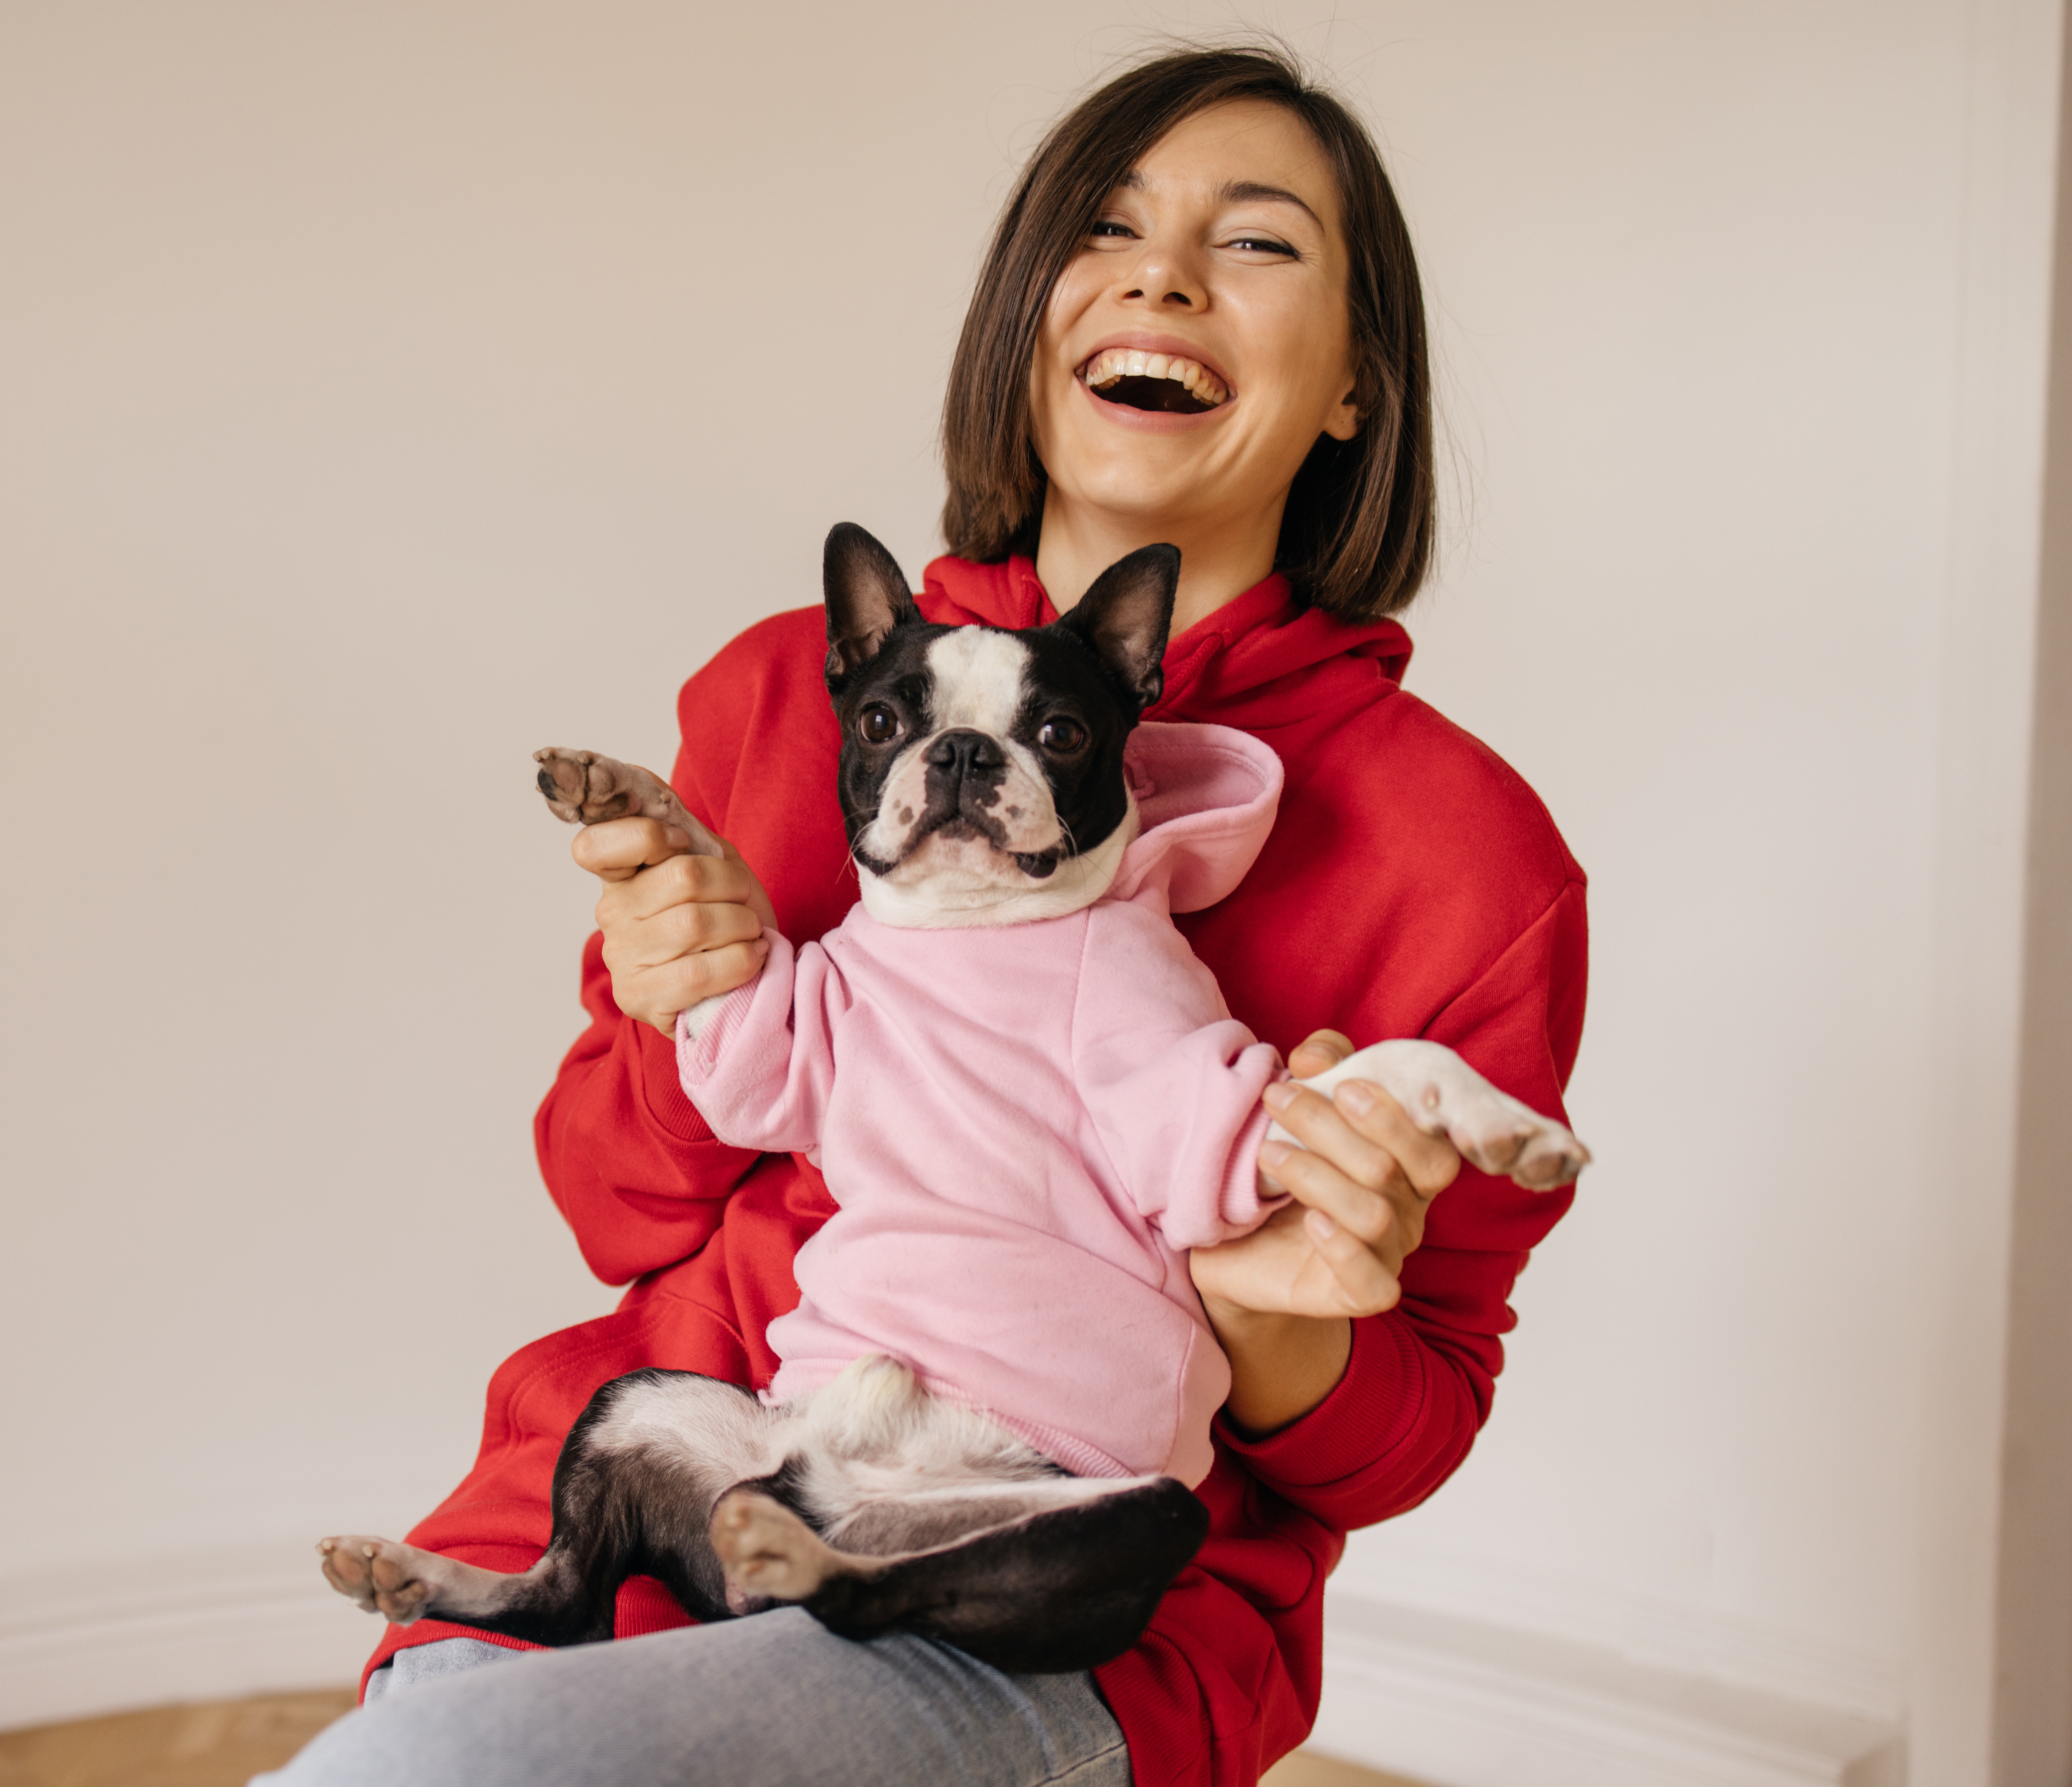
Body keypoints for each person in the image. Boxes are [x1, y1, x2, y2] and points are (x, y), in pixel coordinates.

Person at [271, 43, 1586, 1787]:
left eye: (1257, 241)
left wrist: (1282, 1318)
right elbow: (606, 1203)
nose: (1165, 275)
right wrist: (683, 1005)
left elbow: (1402, 1438)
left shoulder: (1468, 854)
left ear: (1358, 381)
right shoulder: (782, 696)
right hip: (680, 1474)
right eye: (1105, 227)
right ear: (1023, 319)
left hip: (1049, 1578)